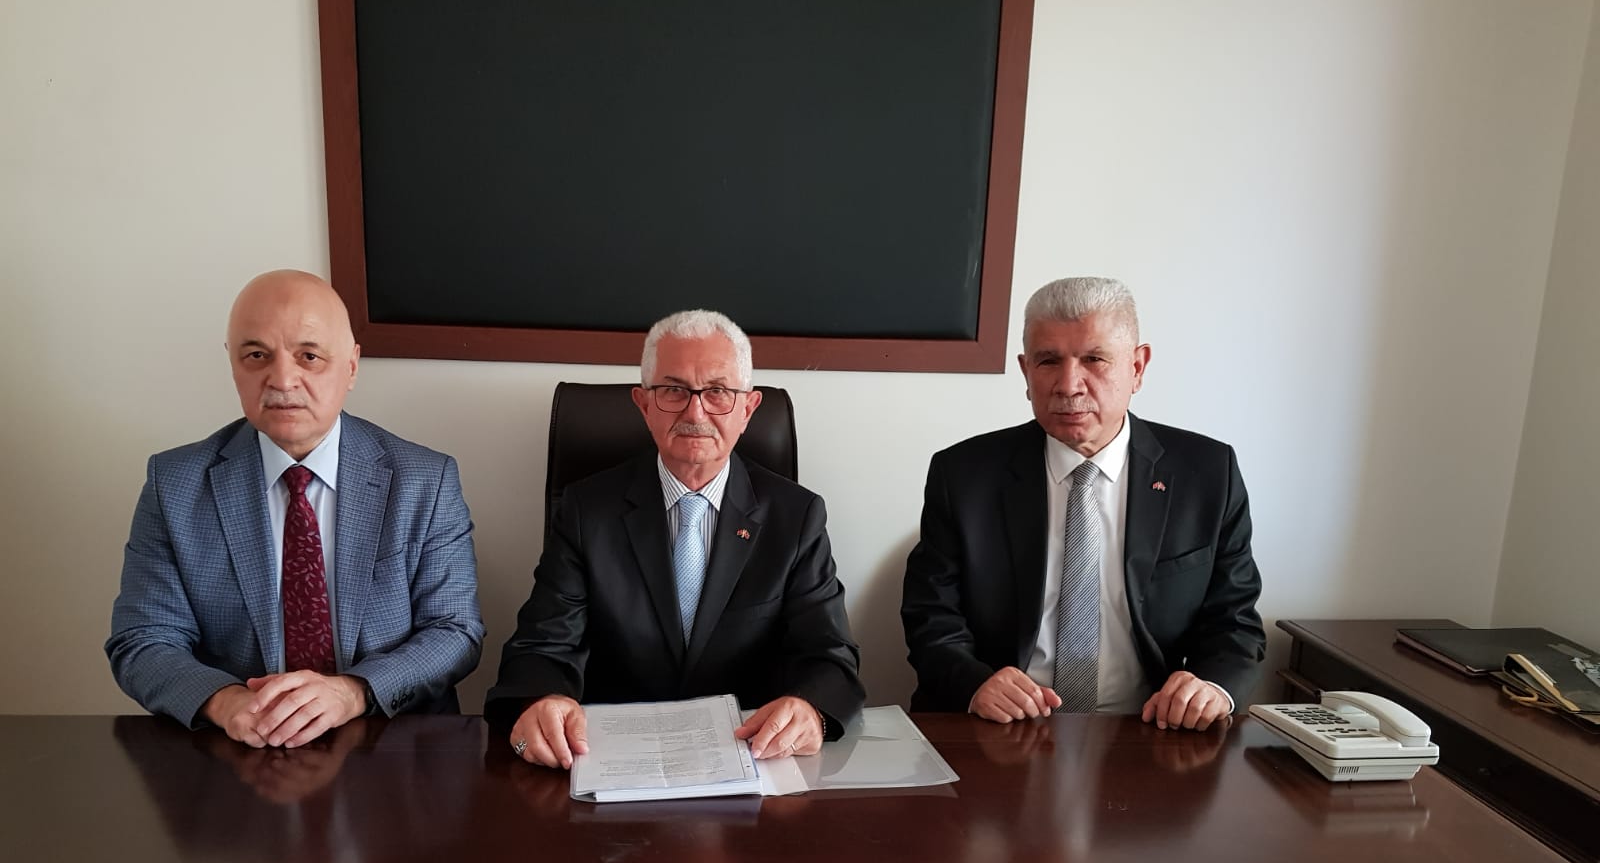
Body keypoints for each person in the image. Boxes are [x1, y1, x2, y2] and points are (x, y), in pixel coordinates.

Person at [107, 269, 485, 748]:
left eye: (309, 356)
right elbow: (143, 639)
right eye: (257, 356)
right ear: (233, 364)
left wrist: (352, 692)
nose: (283, 379)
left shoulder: (424, 480)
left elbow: (455, 631)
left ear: (351, 366)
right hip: (241, 746)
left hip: (390, 744)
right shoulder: (175, 484)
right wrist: (226, 702)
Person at [486, 309, 864, 767]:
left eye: (718, 391)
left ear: (748, 409)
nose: (695, 412)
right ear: (644, 404)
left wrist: (810, 710)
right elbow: (542, 646)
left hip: (751, 757)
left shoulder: (796, 516)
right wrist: (541, 702)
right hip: (613, 758)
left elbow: (829, 654)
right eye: (673, 390)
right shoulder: (587, 510)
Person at [901, 276, 1264, 731]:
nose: (1069, 385)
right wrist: (975, 683)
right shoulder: (964, 474)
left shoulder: (1207, 474)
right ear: (1026, 371)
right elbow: (931, 615)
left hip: (1149, 728)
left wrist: (1212, 687)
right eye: (1048, 361)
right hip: (1004, 727)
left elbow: (1235, 619)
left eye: (1094, 359)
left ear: (1137, 367)